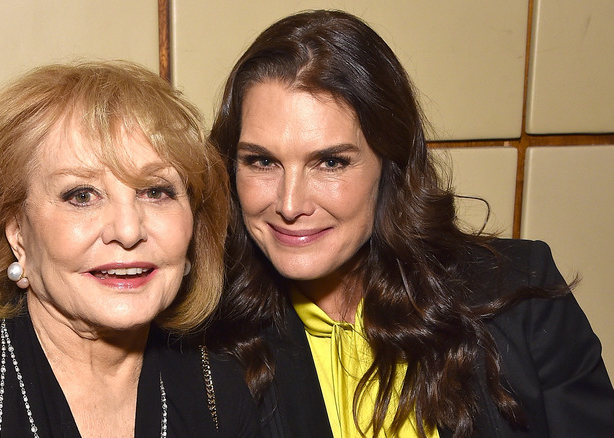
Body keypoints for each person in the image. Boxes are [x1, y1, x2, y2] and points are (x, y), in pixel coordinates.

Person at [208, 9, 614, 438]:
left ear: (390, 163)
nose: (290, 204)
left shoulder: (520, 301)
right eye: (262, 161)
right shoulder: (206, 342)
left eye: (330, 162)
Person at [0, 61, 261, 437]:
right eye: (82, 195)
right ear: (18, 234)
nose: (127, 230)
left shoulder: (221, 394)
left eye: (156, 191)